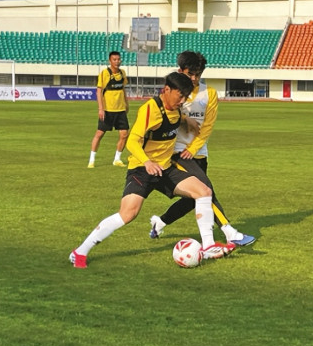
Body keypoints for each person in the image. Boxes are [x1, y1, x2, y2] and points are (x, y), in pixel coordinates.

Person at [70, 72, 235, 268]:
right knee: (128, 214)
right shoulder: (150, 109)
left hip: (165, 169)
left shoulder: (176, 109)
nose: (182, 101)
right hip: (142, 168)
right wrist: (147, 162)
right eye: (180, 96)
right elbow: (132, 141)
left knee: (204, 191)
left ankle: (208, 246)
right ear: (167, 90)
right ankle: (80, 252)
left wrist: (186, 120)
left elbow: (174, 117)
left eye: (185, 97)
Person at [149, 51, 256, 247]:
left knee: (194, 199)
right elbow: (163, 114)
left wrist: (194, 148)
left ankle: (160, 222)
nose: (194, 78)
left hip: (198, 153)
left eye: (198, 74)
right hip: (177, 153)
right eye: (190, 74)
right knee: (207, 190)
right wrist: (184, 121)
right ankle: (229, 231)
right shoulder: (172, 92)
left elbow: (207, 126)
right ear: (180, 71)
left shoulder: (209, 94)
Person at [88, 51, 130, 168]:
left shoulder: (122, 73)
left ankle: (117, 159)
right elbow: (99, 91)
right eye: (114, 60)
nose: (117, 62)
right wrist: (101, 109)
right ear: (110, 61)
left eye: (118, 59)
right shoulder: (104, 73)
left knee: (124, 134)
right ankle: (92, 160)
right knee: (99, 134)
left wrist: (126, 103)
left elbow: (122, 89)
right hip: (108, 110)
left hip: (120, 109)